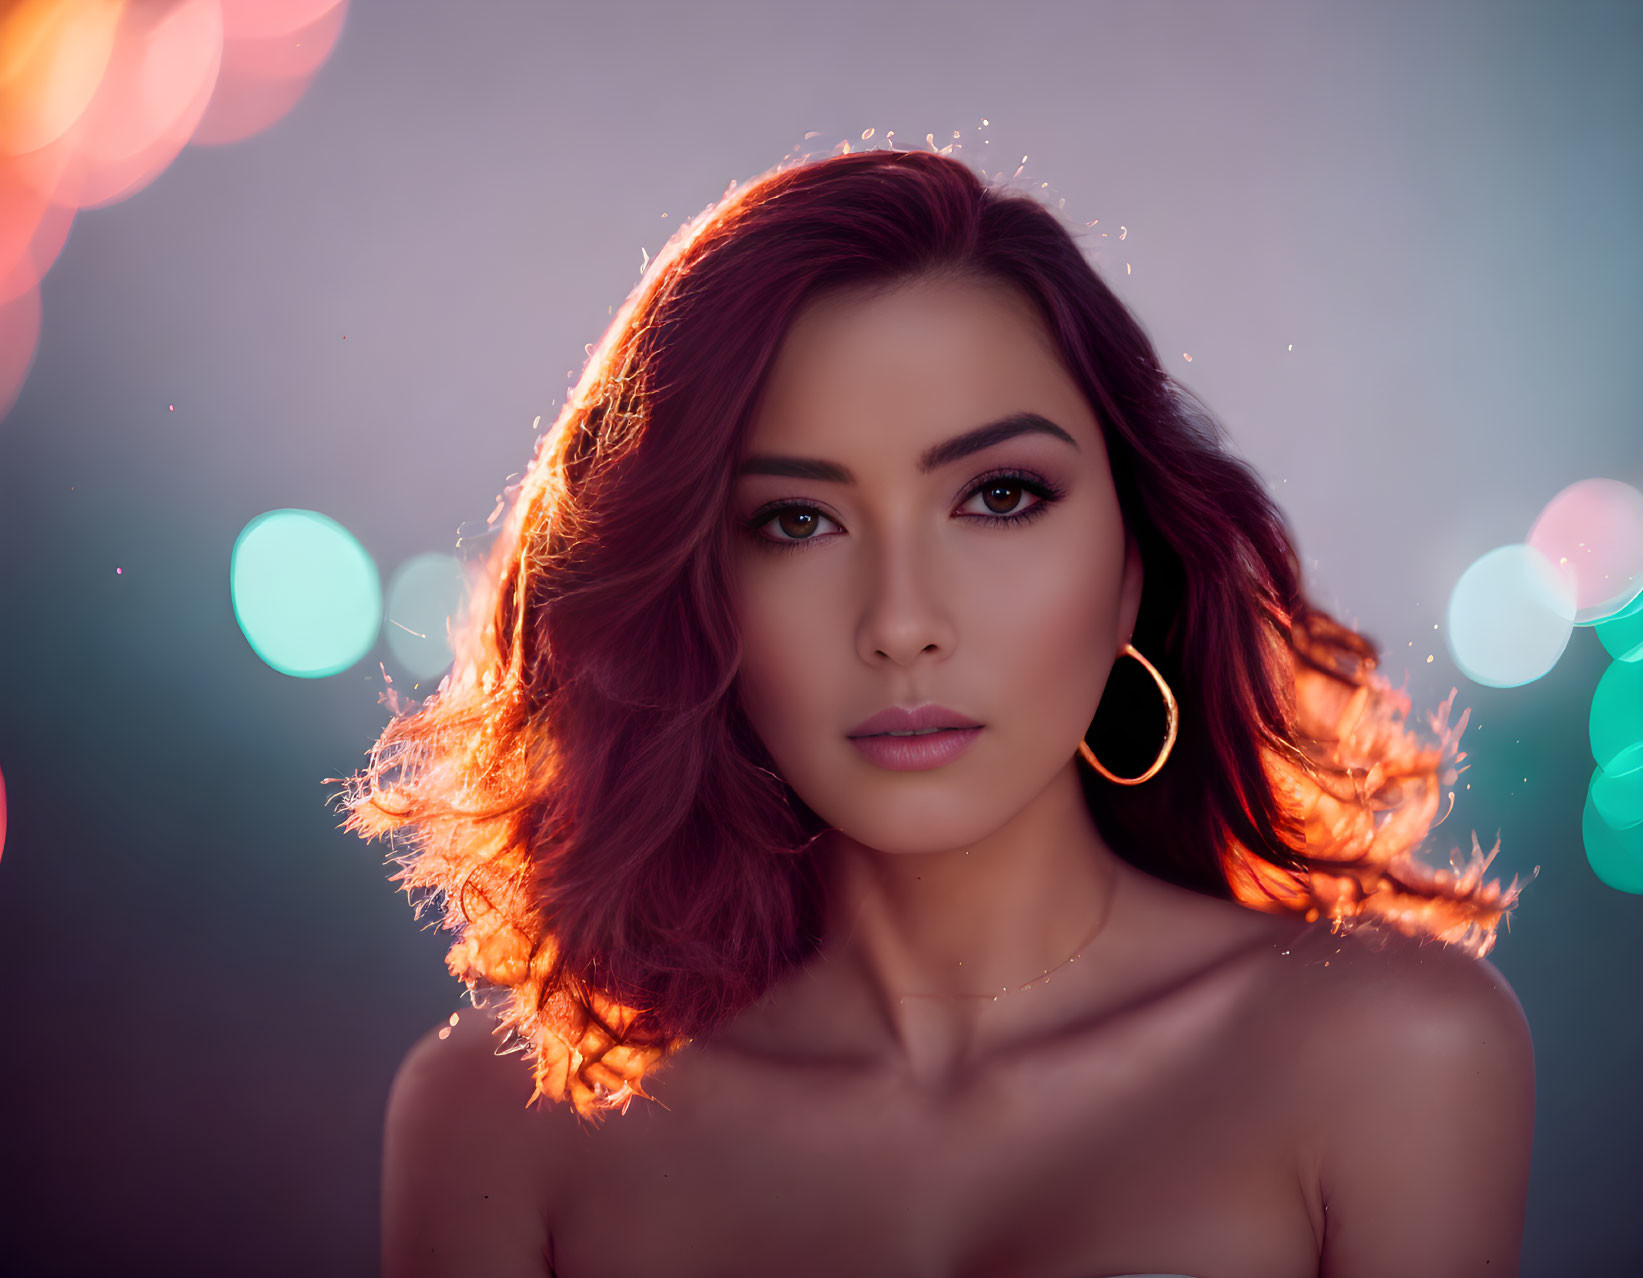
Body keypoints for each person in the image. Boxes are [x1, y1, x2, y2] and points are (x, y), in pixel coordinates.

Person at [337, 148, 1535, 1277]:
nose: (901, 622)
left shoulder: (1389, 1054)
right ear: (696, 596)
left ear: (1132, 560)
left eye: (998, 496)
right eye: (795, 521)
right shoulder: (505, 1126)